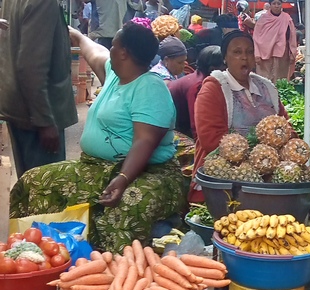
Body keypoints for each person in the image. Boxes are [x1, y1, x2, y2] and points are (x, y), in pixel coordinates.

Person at [11, 22, 184, 253]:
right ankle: (37, 253)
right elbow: (94, 51)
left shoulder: (150, 88)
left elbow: (145, 141)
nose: (109, 49)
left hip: (147, 172)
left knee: (128, 205)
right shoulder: (115, 73)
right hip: (97, 167)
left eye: (113, 45)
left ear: (123, 52)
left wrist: (123, 178)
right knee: (34, 182)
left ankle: (115, 269)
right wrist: (76, 35)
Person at [190, 30, 290, 202]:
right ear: (225, 58)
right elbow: (210, 140)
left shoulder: (266, 88)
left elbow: (286, 127)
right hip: (225, 177)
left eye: (249, 52)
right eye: (237, 52)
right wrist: (256, 157)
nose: (244, 57)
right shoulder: (214, 88)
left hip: (269, 171)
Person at [0, 0, 78, 176]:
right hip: (38, 111)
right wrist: (45, 122)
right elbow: (31, 67)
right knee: (46, 190)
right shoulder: (44, 2)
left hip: (20, 104)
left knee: (29, 184)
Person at [169, 46, 225, 138]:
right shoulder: (198, 86)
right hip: (174, 130)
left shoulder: (201, 78)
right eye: (225, 67)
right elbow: (196, 125)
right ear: (213, 69)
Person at [252, 0, 297, 83]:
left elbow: (292, 36)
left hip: (282, 54)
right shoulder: (263, 19)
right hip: (264, 56)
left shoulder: (287, 18)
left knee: (280, 80)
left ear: (281, 5)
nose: (276, 6)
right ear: (270, 5)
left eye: (279, 4)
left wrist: (292, 53)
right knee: (264, 80)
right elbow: (256, 37)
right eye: (274, 3)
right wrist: (257, 54)